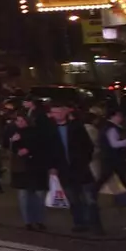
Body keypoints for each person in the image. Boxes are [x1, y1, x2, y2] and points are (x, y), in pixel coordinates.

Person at [49, 99, 102, 233]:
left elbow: (88, 146)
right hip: (65, 169)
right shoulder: (52, 130)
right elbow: (49, 150)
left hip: (80, 168)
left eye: (58, 112)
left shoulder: (76, 127)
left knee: (88, 198)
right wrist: (53, 166)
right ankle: (80, 222)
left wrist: (84, 160)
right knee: (73, 198)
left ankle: (94, 224)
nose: (55, 115)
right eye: (53, 112)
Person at [7, 110, 58, 230]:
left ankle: (39, 220)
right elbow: (12, 150)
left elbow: (44, 148)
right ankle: (28, 221)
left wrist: (29, 150)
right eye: (17, 121)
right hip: (22, 169)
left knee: (39, 195)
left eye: (21, 120)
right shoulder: (14, 133)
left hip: (37, 167)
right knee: (24, 196)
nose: (19, 123)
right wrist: (14, 143)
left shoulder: (38, 133)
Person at [94, 106, 126, 197]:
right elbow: (114, 144)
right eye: (119, 116)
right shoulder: (112, 128)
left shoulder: (108, 127)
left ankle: (92, 194)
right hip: (115, 158)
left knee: (106, 177)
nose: (121, 118)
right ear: (112, 116)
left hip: (110, 158)